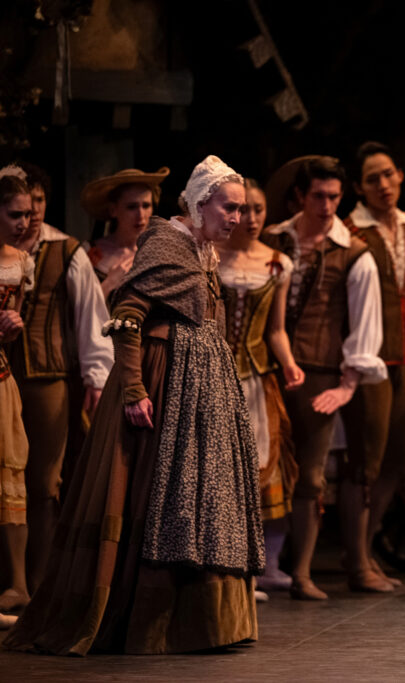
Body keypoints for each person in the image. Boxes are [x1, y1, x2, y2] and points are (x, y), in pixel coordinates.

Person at [4, 155, 264, 655]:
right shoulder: (168, 242)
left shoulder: (204, 251)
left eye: (241, 209)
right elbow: (127, 314)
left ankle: (211, 623)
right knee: (158, 496)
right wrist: (134, 389)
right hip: (167, 379)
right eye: (228, 208)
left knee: (203, 499)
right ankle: (149, 619)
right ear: (200, 203)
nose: (236, 218)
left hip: (203, 389)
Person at [262, 156, 387, 598]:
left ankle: (301, 572)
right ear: (300, 196)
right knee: (257, 467)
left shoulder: (354, 253)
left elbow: (365, 323)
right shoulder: (271, 239)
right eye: (319, 196)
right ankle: (256, 566)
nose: (328, 205)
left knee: (311, 476)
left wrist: (348, 383)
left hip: (318, 372)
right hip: (263, 368)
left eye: (335, 196)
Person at [4, 162, 113, 601]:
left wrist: (96, 377)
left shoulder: (66, 251)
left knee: (43, 484)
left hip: (46, 377)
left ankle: (39, 580)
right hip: (2, 379)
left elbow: (92, 320)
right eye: (18, 209)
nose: (28, 218)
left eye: (36, 206)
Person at [341, 142, 405, 591]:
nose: (383, 184)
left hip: (400, 356)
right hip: (367, 357)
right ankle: (356, 561)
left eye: (388, 174)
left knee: (399, 457)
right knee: (366, 463)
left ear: (400, 176)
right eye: (372, 179)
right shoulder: (351, 229)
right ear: (359, 187)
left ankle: (368, 549)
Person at [217, 178, 305, 598]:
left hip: (256, 377)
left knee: (265, 468)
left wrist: (289, 365)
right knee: (222, 468)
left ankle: (264, 565)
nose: (249, 219)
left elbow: (276, 330)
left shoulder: (276, 264)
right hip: (215, 376)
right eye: (242, 209)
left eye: (258, 210)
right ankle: (229, 567)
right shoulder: (211, 257)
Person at [0, 167, 34, 630]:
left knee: (11, 475)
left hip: (1, 378)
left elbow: (11, 326)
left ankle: (18, 585)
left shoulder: (19, 262)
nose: (23, 222)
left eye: (27, 214)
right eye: (13, 214)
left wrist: (11, 329)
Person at [81, 166, 170, 303]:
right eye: (131, 207)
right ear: (113, 210)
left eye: (146, 206)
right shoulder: (90, 252)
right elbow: (79, 311)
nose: (141, 215)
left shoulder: (161, 252)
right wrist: (110, 282)